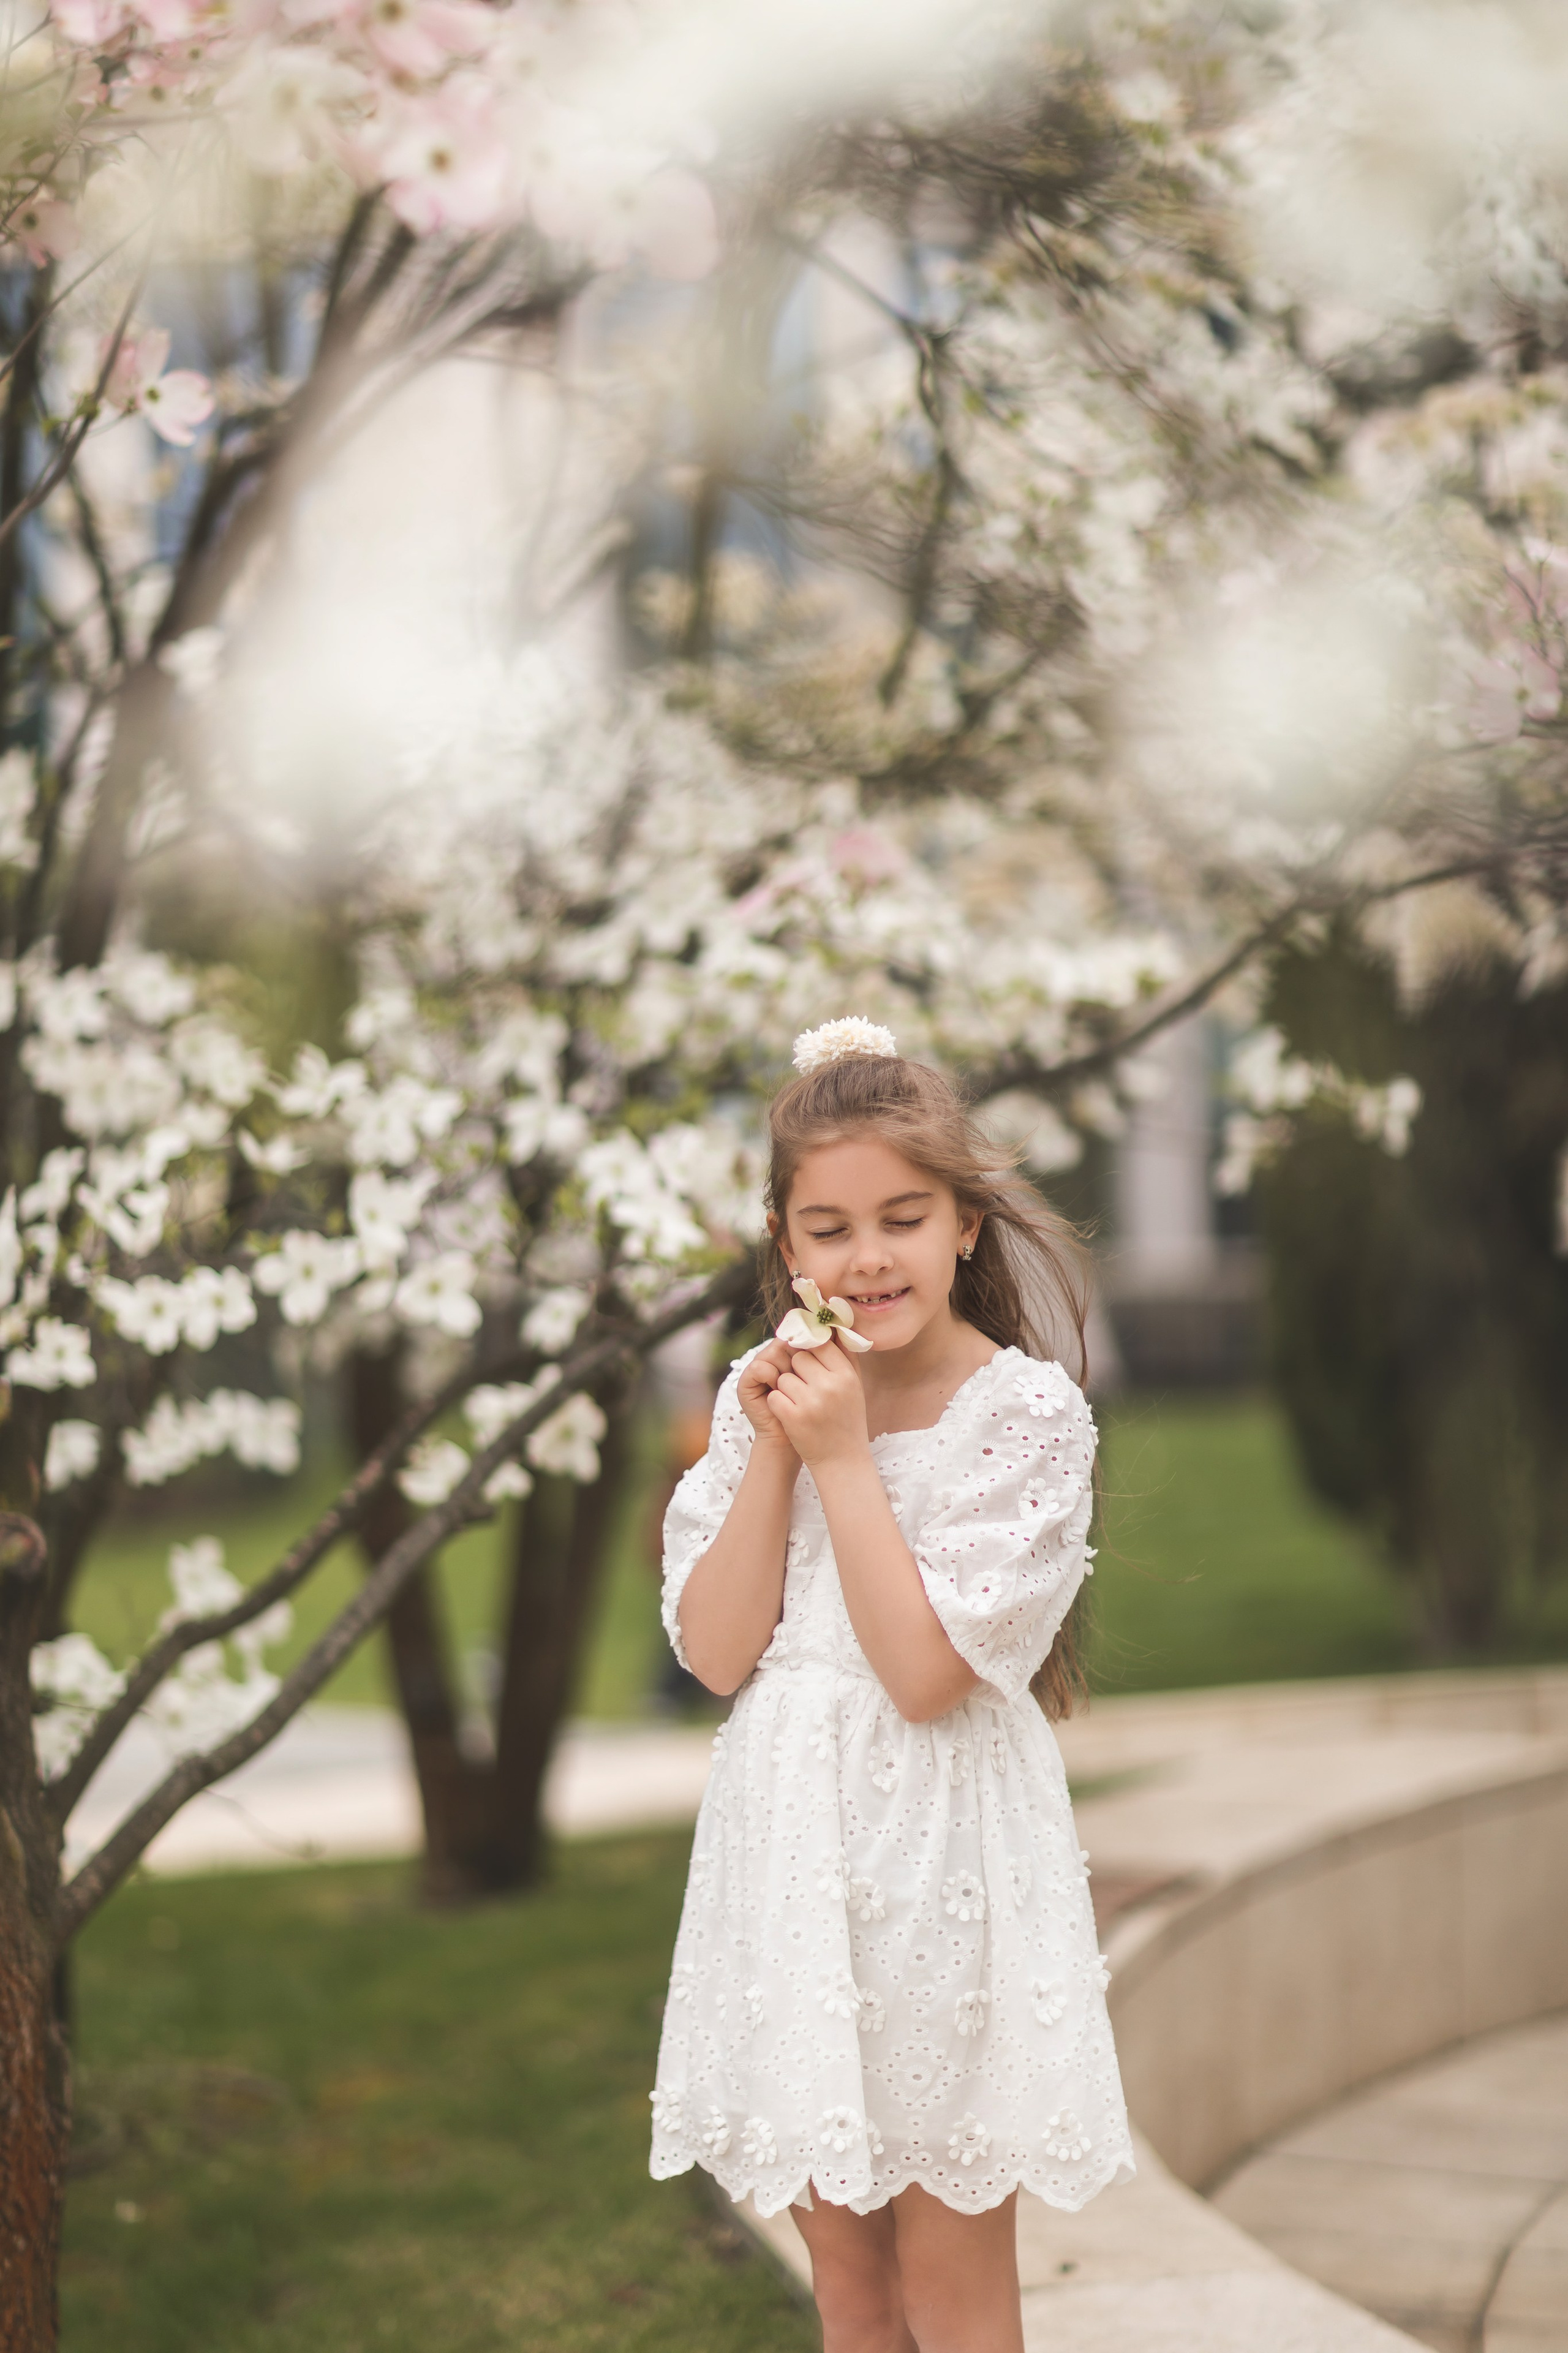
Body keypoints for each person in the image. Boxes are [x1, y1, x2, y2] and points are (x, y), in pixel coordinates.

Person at [649, 1019, 1134, 2353]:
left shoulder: (1022, 1417)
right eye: (827, 1228)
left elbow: (923, 1676)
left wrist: (846, 1458)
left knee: (951, 2295)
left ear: (966, 1225)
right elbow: (714, 1651)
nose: (866, 1258)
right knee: (852, 2297)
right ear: (784, 1243)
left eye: (901, 1218)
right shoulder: (777, 1407)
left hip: (941, 1882)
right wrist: (775, 1453)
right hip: (793, 1872)